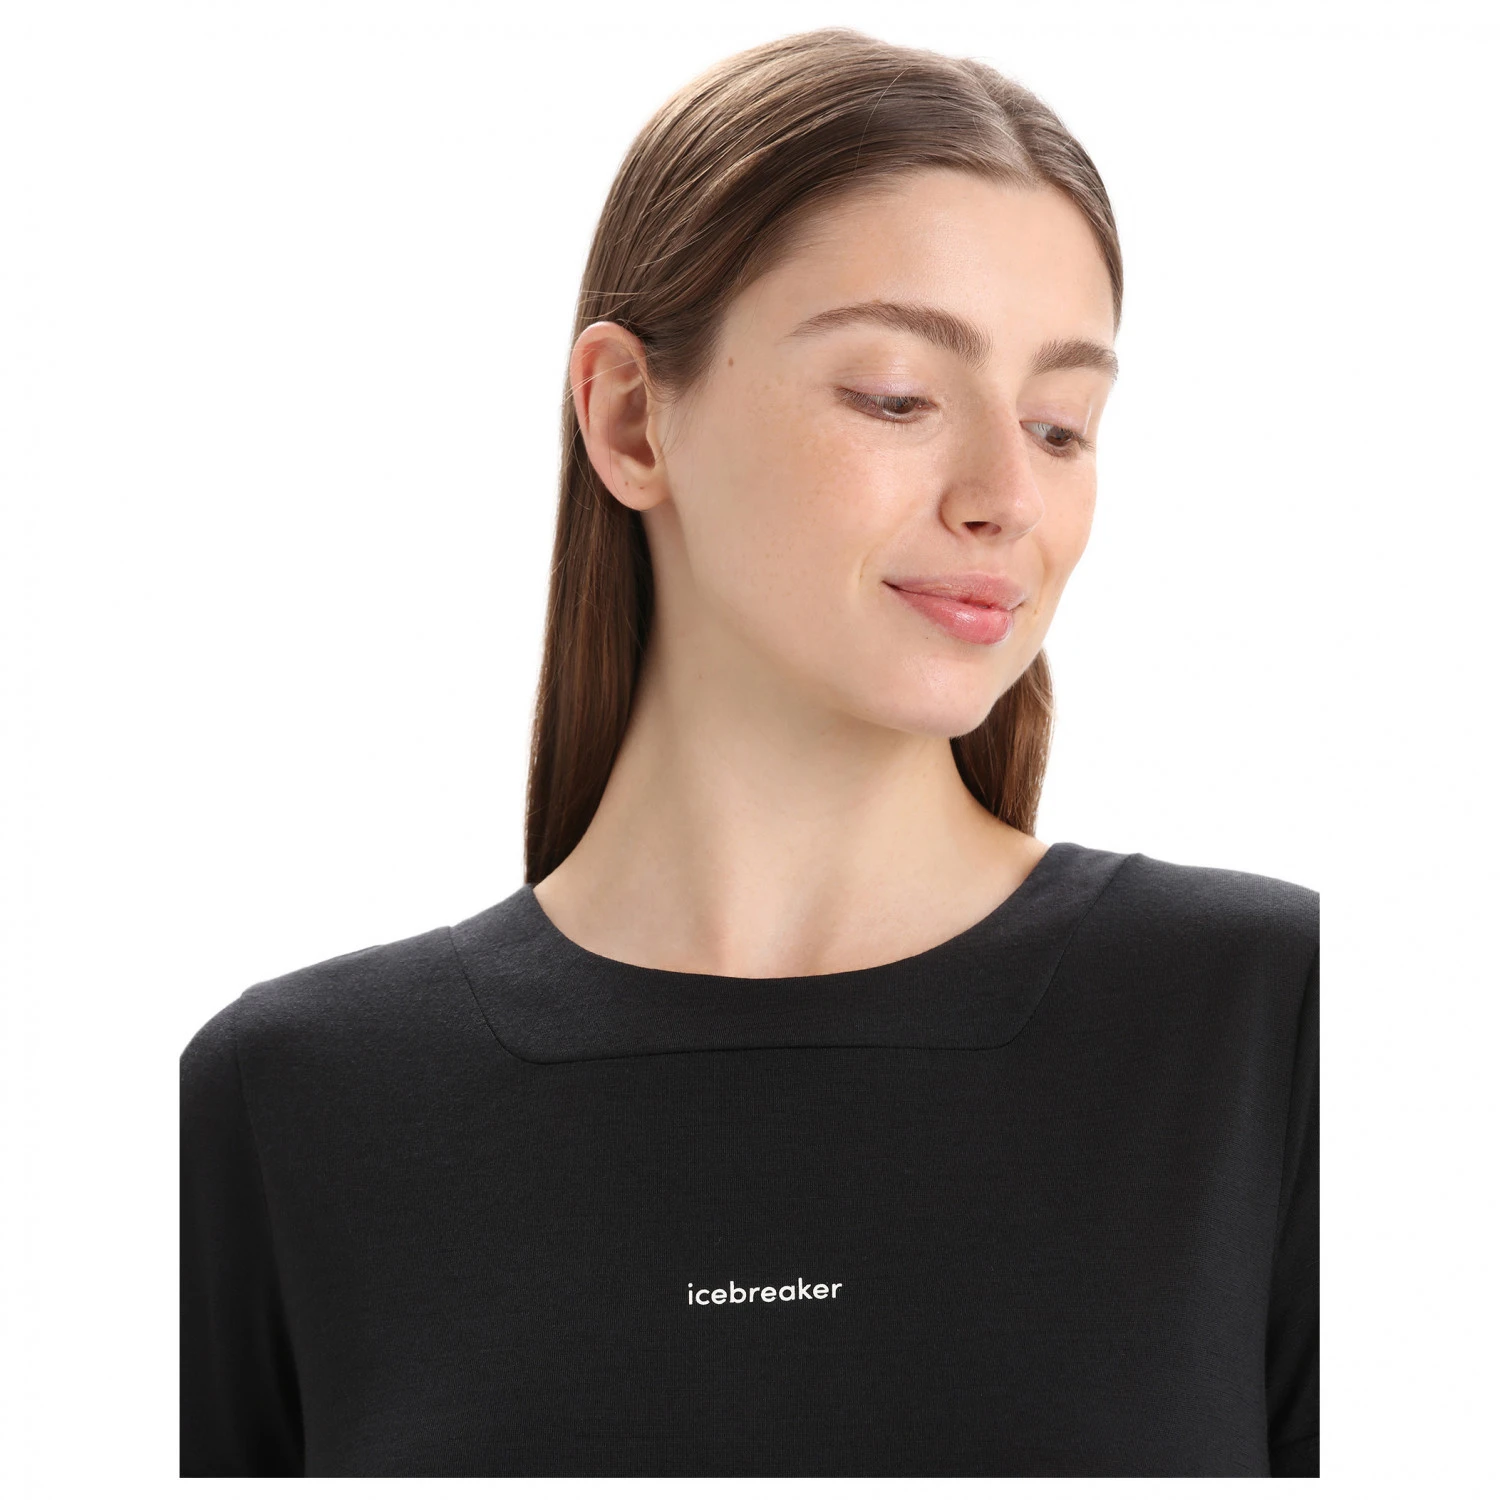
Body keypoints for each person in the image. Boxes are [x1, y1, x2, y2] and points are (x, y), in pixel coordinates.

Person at [180, 27, 1318, 1478]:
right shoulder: (288, 1105)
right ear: (632, 417)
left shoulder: (1279, 1029)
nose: (1006, 496)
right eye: (897, 396)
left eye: (1060, 425)